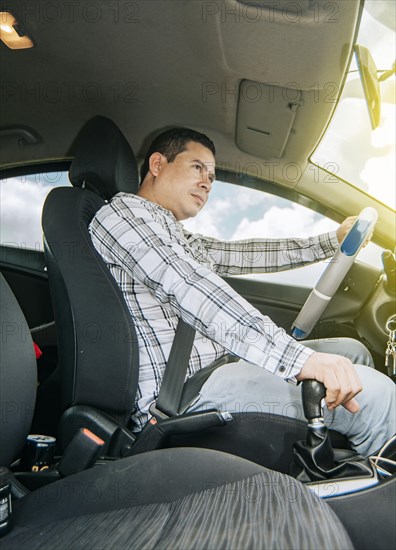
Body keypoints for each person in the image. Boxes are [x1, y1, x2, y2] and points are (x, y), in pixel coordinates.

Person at [89, 127, 395, 457]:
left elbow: (248, 254)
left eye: (212, 175)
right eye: (197, 167)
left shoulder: (175, 234)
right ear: (158, 164)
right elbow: (190, 286)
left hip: (215, 371)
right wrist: (297, 359)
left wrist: (331, 241)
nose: (207, 182)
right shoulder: (122, 216)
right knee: (379, 397)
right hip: (184, 395)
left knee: (353, 351)